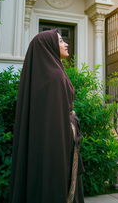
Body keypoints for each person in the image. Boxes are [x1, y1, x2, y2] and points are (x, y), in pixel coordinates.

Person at [9, 29, 85, 203]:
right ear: (48, 46)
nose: (66, 44)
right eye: (60, 41)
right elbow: (55, 118)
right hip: (57, 141)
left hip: (44, 140)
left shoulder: (41, 74)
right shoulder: (55, 76)